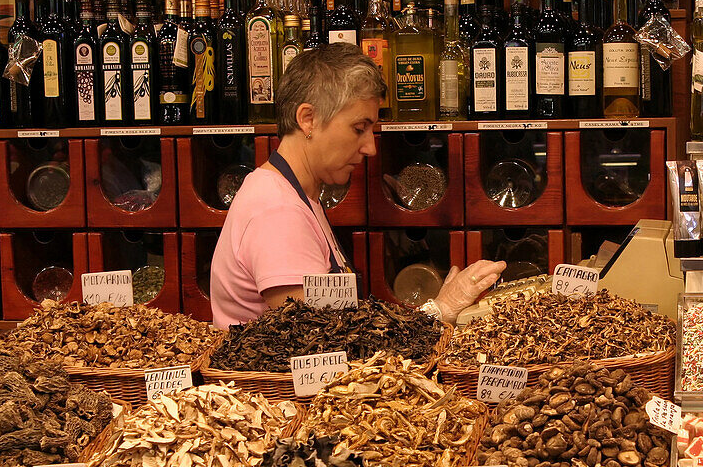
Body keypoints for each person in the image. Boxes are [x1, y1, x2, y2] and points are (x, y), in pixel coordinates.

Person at [210, 44, 504, 329]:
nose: (370, 148)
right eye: (359, 128)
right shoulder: (278, 212)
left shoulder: (294, 195)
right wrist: (439, 310)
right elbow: (321, 340)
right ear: (307, 119)